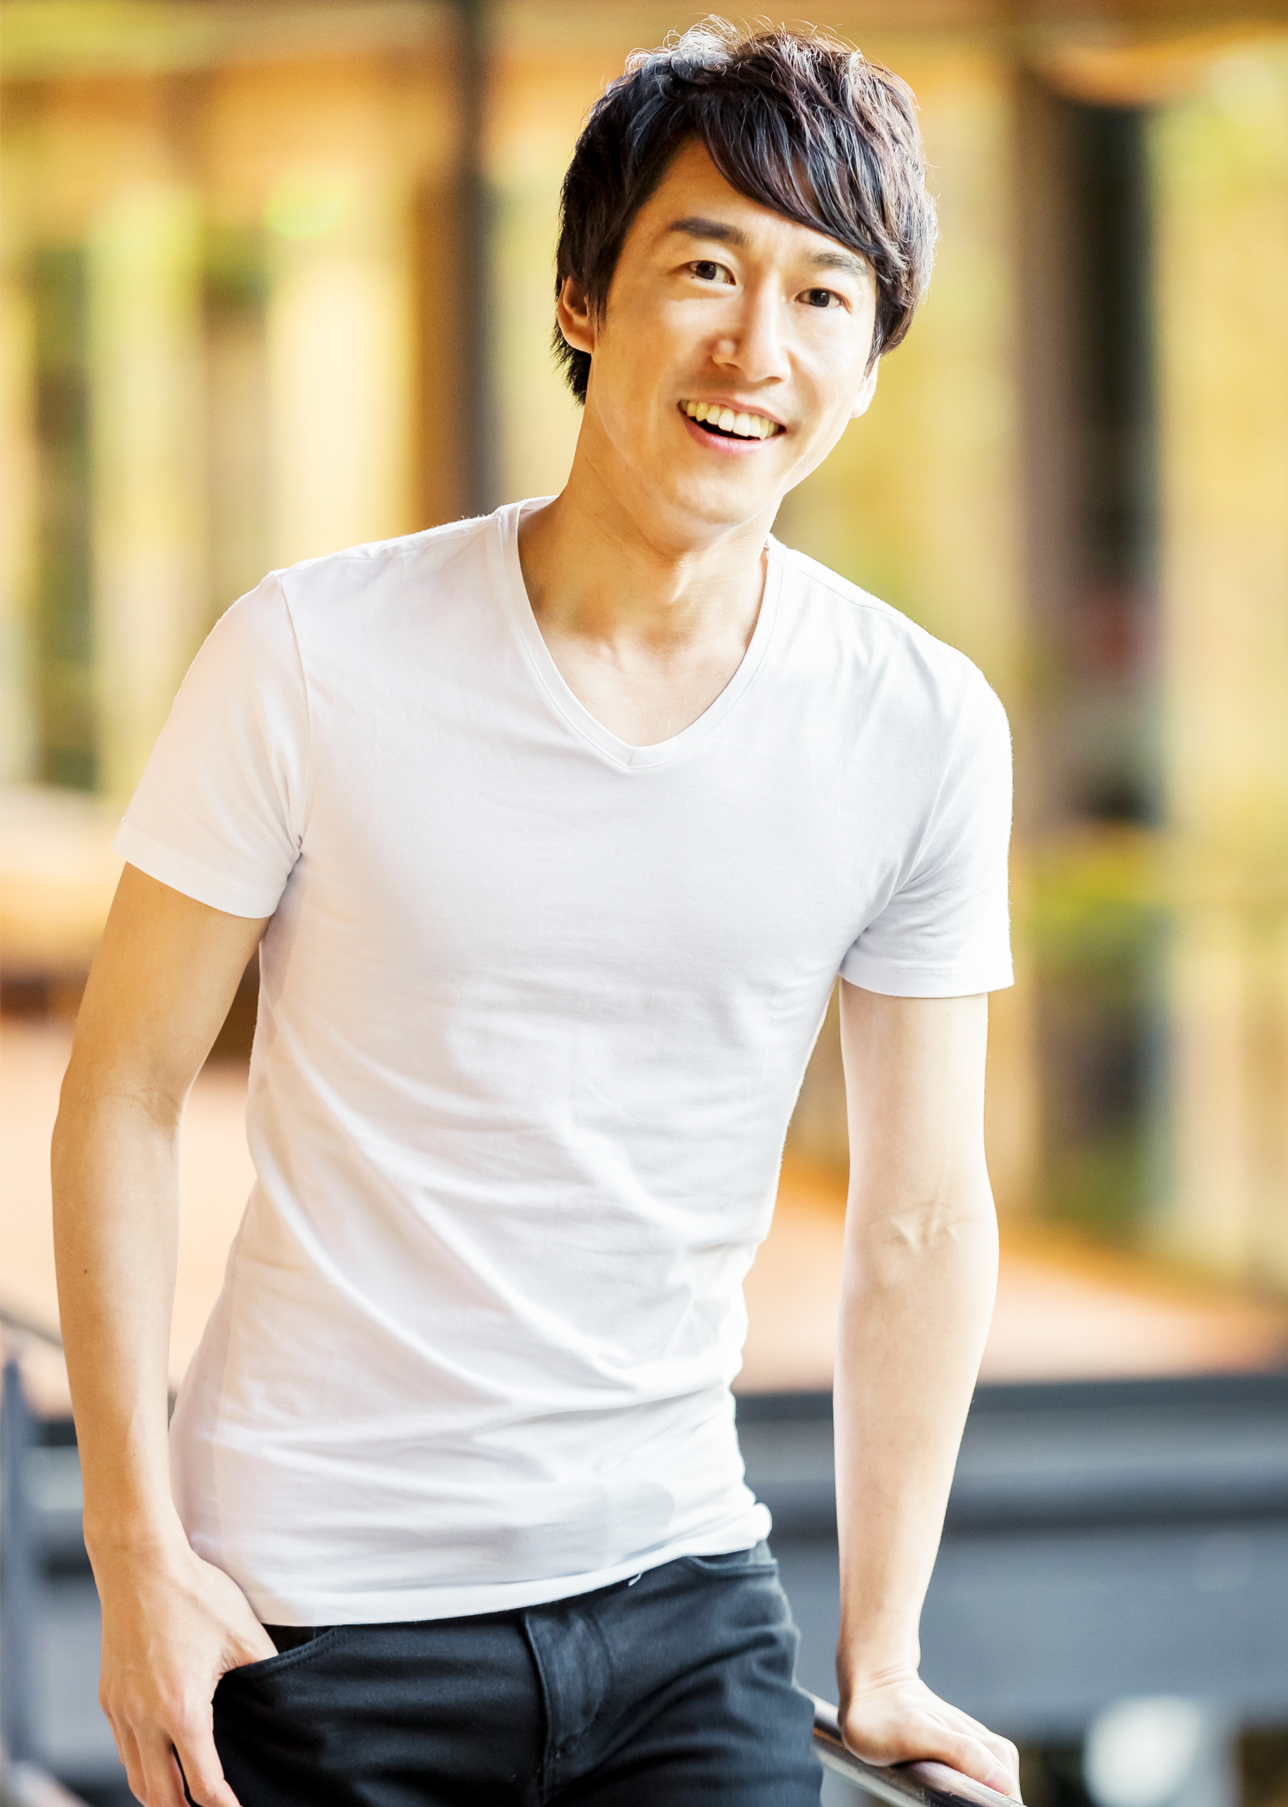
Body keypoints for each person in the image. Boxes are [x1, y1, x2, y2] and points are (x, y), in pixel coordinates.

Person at [53, 20, 1021, 1807]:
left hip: (684, 1599)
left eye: (824, 296)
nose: (758, 346)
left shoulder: (921, 724)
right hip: (317, 1614)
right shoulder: (311, 652)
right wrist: (135, 1556)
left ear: (871, 363)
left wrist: (881, 1650)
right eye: (706, 268)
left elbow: (923, 1210)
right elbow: (119, 1090)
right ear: (583, 294)